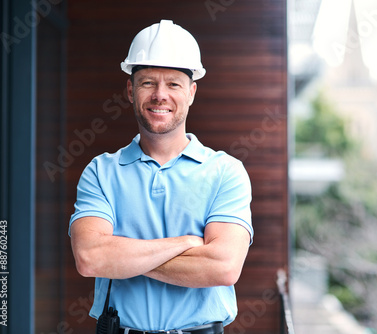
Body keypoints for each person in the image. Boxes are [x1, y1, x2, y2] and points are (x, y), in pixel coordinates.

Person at [69, 20, 253, 334]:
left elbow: (223, 266)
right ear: (130, 90)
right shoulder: (100, 172)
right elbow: (90, 258)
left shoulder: (226, 172)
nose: (160, 95)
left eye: (173, 84)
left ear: (191, 92)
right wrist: (185, 244)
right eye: (147, 83)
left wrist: (125, 259)